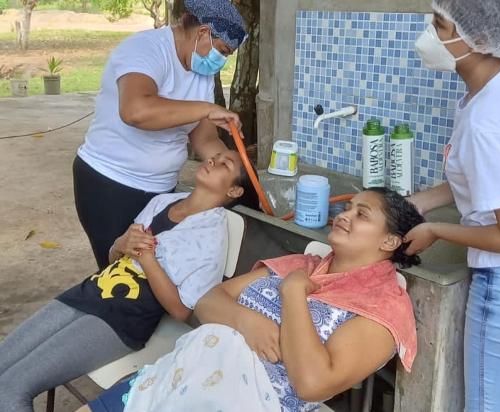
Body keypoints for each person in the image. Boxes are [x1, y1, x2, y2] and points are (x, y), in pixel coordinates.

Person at [78, 188, 425, 412]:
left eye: (361, 214)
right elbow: (207, 301)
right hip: (185, 371)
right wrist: (248, 323)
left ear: (390, 241)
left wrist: (292, 295)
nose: (344, 215)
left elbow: (312, 383)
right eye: (348, 207)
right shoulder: (303, 264)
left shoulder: (381, 307)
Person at [0, 150, 258, 412]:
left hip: (122, 316)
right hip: (91, 290)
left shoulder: (212, 237)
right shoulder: (164, 202)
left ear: (235, 192)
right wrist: (121, 244)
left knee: (10, 389)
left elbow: (183, 310)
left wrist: (148, 260)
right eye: (214, 157)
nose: (212, 161)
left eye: (225, 164)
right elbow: (115, 257)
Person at [408, 1, 500, 410]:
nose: (428, 31)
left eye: (439, 23)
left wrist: (435, 229)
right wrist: (424, 202)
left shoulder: (487, 117)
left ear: (483, 39)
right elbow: (497, 179)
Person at [74, 0, 248, 269]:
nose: (221, 62)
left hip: (161, 192)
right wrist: (207, 108)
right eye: (223, 51)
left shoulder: (198, 70)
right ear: (203, 33)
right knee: (119, 272)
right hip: (110, 183)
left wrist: (235, 169)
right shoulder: (145, 49)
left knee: (153, 270)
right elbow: (135, 111)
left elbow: (204, 138)